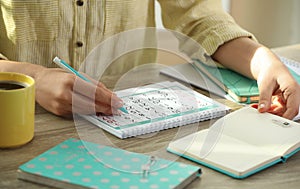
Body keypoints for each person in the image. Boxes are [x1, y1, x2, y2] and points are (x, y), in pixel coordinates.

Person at [0, 0, 299, 119]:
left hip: (127, 123)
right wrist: (34, 78)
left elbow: (197, 15)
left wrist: (261, 59)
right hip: (19, 122)